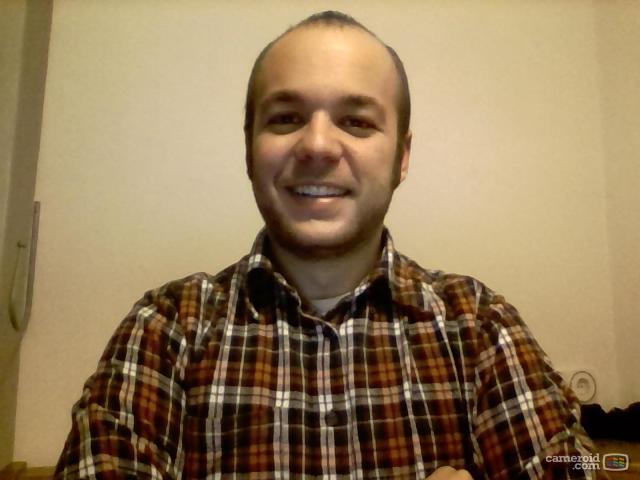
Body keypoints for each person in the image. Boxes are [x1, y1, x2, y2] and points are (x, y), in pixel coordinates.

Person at [55, 11, 596, 480]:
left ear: (402, 158)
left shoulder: (478, 325)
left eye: (356, 121)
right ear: (249, 149)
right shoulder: (165, 329)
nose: (316, 145)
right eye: (286, 118)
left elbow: (585, 466)